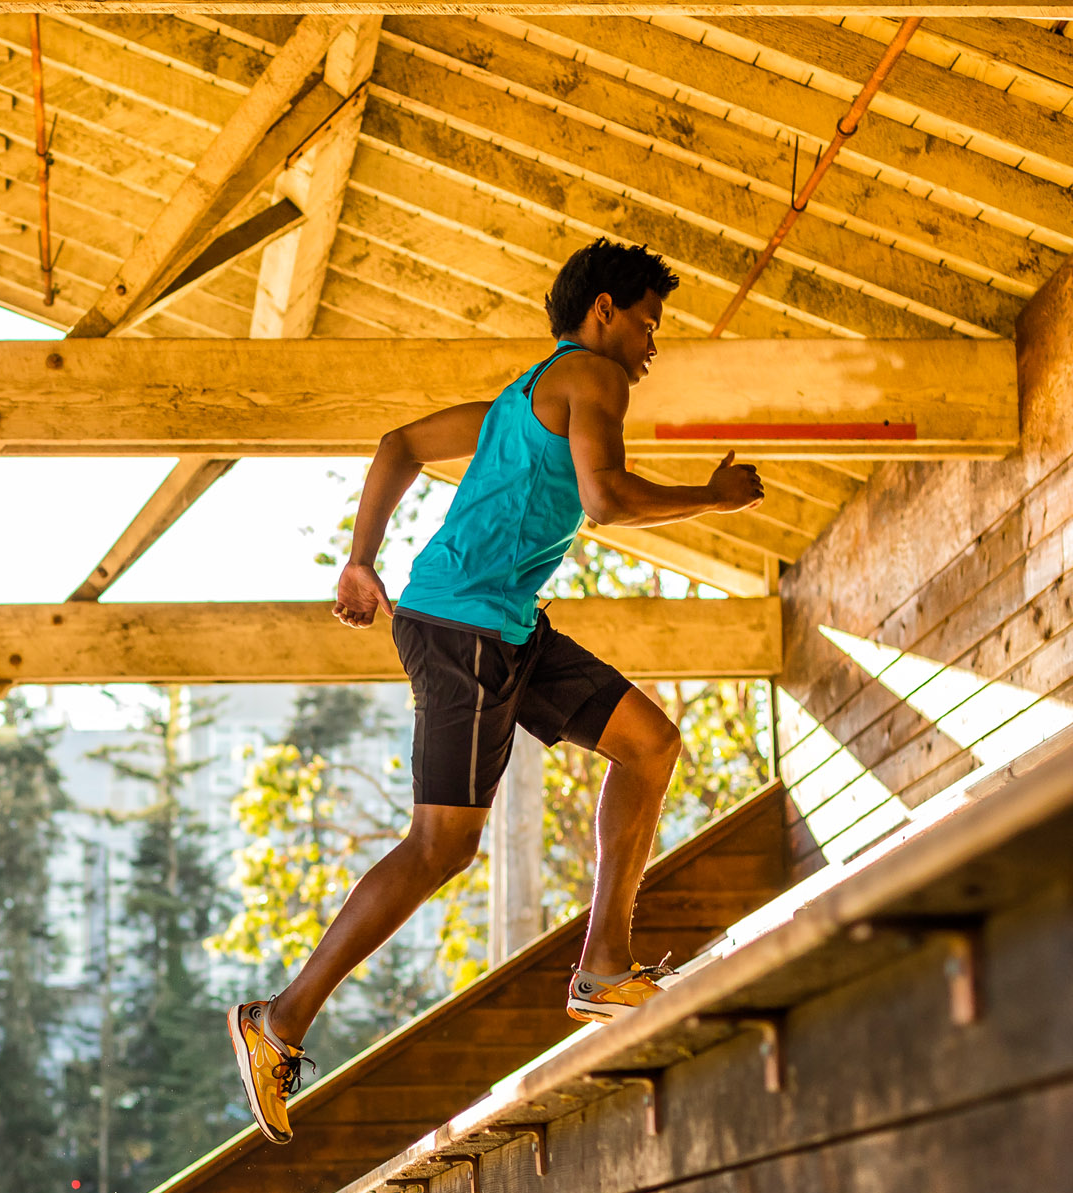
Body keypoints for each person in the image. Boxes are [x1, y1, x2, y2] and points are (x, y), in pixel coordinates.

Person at [226, 239, 766, 1145]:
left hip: (506, 627)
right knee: (442, 846)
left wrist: (361, 560)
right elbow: (603, 499)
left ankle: (602, 968)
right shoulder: (594, 379)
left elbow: (398, 444)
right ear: (603, 312)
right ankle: (277, 1021)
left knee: (651, 746)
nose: (651, 344)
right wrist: (710, 498)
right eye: (646, 322)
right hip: (462, 629)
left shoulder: (521, 401)